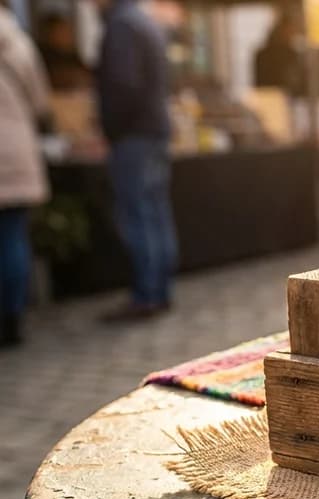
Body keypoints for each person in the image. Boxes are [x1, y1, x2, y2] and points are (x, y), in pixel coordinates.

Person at [95, 0, 176, 321]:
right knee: (154, 213)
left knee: (140, 215)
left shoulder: (122, 25)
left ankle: (147, 294)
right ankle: (159, 290)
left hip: (134, 135)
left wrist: (110, 129)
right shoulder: (142, 20)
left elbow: (124, 87)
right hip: (150, 131)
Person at [0, 2, 50, 347]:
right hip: (15, 150)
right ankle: (12, 318)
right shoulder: (18, 42)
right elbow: (41, 101)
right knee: (12, 234)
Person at [254, 12, 304, 97]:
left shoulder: (291, 53)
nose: (292, 35)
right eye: (290, 31)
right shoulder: (288, 54)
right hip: (274, 96)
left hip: (279, 96)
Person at [36, 14, 90, 92]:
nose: (68, 34)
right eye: (61, 31)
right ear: (50, 34)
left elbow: (86, 75)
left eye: (68, 30)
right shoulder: (43, 57)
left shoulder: (72, 54)